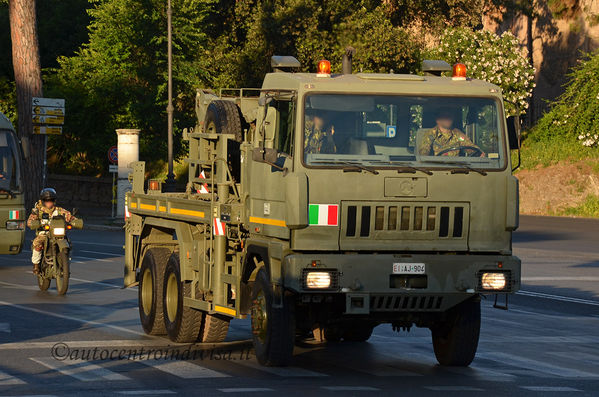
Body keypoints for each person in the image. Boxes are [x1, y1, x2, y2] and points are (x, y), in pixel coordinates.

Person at [27, 188, 75, 274]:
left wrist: (75, 221)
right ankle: (36, 265)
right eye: (47, 200)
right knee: (38, 244)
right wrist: (34, 223)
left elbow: (69, 216)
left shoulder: (59, 210)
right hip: (44, 233)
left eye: (51, 200)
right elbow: (30, 221)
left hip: (58, 233)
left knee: (69, 244)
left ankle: (66, 264)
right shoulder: (38, 211)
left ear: (54, 201)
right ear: (43, 201)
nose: (49, 202)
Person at [418, 109, 484, 157]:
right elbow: (424, 152)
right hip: (436, 169)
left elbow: (468, 146)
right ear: (437, 120)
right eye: (445, 116)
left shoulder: (458, 134)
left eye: (450, 116)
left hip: (456, 169)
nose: (448, 119)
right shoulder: (430, 134)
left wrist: (479, 153)